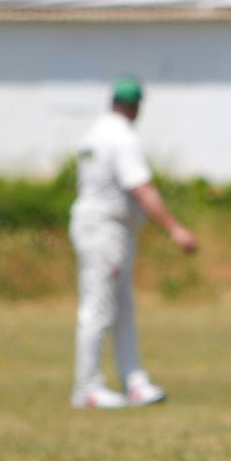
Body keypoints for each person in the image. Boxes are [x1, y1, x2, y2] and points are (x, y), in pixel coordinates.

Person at [69, 76, 198, 409]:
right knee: (98, 307)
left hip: (101, 226)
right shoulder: (121, 137)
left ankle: (134, 380)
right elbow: (141, 187)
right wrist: (175, 228)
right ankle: (88, 387)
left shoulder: (95, 133)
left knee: (122, 306)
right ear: (135, 105)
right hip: (106, 228)